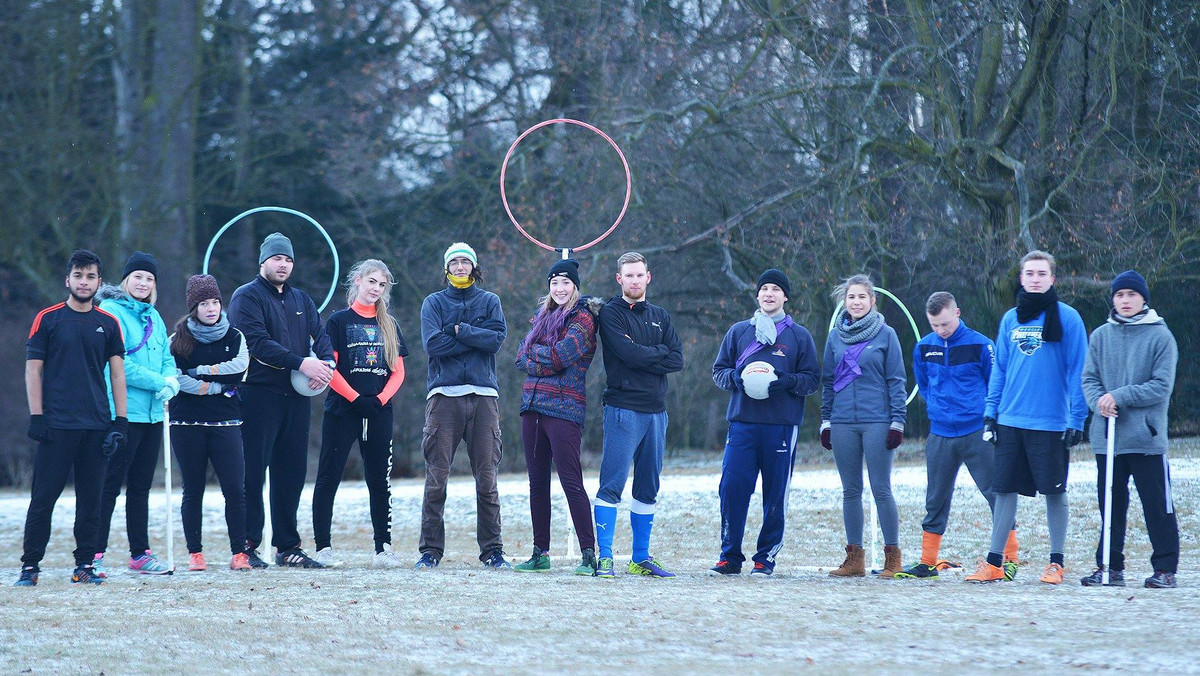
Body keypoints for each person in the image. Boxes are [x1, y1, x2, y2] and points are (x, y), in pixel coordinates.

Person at [965, 250, 1088, 584]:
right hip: (1010, 420)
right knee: (1003, 489)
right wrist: (991, 413)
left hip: (1050, 423)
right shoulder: (1010, 319)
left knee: (1054, 491)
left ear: (1052, 279)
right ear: (1021, 278)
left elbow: (1079, 370)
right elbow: (1000, 370)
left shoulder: (1069, 318)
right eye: (1029, 273)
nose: (1035, 278)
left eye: (1041, 273)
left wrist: (1077, 419)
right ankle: (994, 562)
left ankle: (1056, 563)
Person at [16, 250, 128, 586]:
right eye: (78, 276)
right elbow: (33, 370)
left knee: (91, 501)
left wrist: (119, 421)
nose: (84, 282)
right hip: (56, 426)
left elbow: (118, 375)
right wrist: (37, 416)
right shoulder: (48, 319)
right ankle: (30, 566)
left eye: (91, 276)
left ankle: (84, 566)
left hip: (96, 426)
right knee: (43, 499)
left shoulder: (108, 323)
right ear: (68, 280)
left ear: (98, 281)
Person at [229, 232, 335, 568]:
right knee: (252, 471)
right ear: (263, 261)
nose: (283, 264)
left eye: (288, 259)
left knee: (291, 471)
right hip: (258, 394)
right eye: (277, 258)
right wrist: (302, 362)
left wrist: (324, 366)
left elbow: (321, 336)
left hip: (295, 398)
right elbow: (256, 343)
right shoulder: (246, 297)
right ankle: (246, 545)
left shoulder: (301, 300)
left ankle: (288, 546)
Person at [895, 291, 1019, 579]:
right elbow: (924, 385)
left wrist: (988, 419)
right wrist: (940, 409)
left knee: (995, 494)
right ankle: (927, 562)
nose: (940, 331)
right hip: (940, 434)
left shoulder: (981, 345)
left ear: (958, 313)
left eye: (945, 325)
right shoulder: (924, 347)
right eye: (935, 325)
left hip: (977, 432)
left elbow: (995, 384)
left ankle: (1008, 558)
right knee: (935, 498)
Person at [709, 269, 820, 577]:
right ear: (757, 295)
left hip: (781, 426)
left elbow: (812, 379)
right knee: (732, 488)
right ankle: (729, 556)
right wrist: (736, 378)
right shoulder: (738, 332)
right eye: (764, 289)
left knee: (775, 493)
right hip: (743, 424)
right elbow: (718, 371)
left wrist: (788, 382)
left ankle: (765, 557)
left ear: (785, 297)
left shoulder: (799, 336)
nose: (769, 294)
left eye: (776, 289)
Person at [1080, 270, 1179, 589]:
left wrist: (1118, 396)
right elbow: (1089, 380)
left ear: (1143, 299)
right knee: (1110, 505)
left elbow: (1161, 387)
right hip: (1107, 439)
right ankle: (1109, 566)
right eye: (1119, 295)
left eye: (1131, 295)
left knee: (1157, 507)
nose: (1125, 300)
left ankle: (1165, 568)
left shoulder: (1161, 337)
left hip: (1146, 439)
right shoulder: (1100, 337)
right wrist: (1099, 403)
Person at [416, 242, 510, 570]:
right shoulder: (433, 303)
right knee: (436, 478)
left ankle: (493, 551)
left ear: (473, 266)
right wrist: (474, 338)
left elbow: (496, 340)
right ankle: (430, 552)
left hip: (484, 397)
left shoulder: (490, 301)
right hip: (444, 396)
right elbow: (433, 345)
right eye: (454, 262)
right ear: (446, 268)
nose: (459, 266)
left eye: (464, 261)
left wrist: (461, 330)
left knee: (487, 478)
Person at [593, 251, 684, 579]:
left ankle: (640, 557)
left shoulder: (660, 315)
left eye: (639, 275)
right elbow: (627, 354)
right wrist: (656, 354)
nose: (634, 280)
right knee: (612, 484)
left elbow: (677, 359)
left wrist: (649, 355)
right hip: (622, 409)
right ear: (619, 279)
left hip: (656, 414)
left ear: (648, 277)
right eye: (627, 275)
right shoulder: (610, 314)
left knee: (648, 487)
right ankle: (605, 557)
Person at [312, 260, 409, 568]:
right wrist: (354, 398)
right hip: (343, 410)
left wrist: (379, 400)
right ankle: (323, 547)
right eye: (371, 282)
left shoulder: (389, 324)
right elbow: (331, 367)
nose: (375, 289)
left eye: (381, 285)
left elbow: (398, 371)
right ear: (357, 281)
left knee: (380, 479)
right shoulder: (339, 321)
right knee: (329, 476)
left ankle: (383, 548)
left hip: (379, 412)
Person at [513, 258, 603, 575]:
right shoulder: (542, 317)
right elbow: (520, 357)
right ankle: (540, 552)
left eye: (566, 282)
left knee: (570, 481)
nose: (560, 288)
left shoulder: (583, 319)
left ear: (575, 286)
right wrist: (544, 357)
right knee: (537, 483)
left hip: (564, 408)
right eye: (554, 283)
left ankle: (589, 554)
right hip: (532, 407)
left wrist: (540, 355)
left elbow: (562, 355)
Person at [94, 252, 179, 576]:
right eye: (138, 277)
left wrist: (170, 380)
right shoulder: (111, 312)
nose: (143, 283)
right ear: (126, 280)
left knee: (141, 486)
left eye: (149, 279)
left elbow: (166, 358)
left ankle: (139, 552)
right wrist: (159, 381)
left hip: (154, 414)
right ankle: (94, 551)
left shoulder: (154, 317)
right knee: (109, 484)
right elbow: (119, 364)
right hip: (122, 413)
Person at [821, 274, 907, 579]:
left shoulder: (886, 334)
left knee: (881, 489)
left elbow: (896, 379)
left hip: (877, 421)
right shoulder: (834, 337)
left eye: (861, 297)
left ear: (872, 301)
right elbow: (829, 382)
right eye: (851, 297)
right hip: (843, 422)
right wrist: (826, 420)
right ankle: (854, 559)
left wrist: (897, 420)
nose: (856, 302)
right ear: (844, 302)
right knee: (850, 491)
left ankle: (892, 558)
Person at [169, 274, 253, 572]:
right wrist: (212, 385)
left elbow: (239, 368)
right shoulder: (177, 339)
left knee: (235, 489)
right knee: (193, 489)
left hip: (226, 421)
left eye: (215, 302)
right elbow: (177, 379)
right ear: (194, 307)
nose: (211, 308)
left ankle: (239, 553)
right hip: (186, 423)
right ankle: (195, 553)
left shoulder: (235, 337)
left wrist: (202, 372)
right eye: (204, 303)